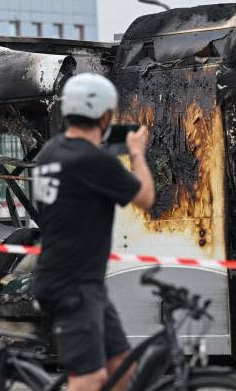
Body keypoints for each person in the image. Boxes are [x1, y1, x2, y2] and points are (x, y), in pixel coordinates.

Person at [32, 73, 155, 391]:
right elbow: (145, 197)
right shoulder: (94, 160)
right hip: (71, 285)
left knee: (122, 368)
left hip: (81, 281)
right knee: (90, 380)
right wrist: (137, 152)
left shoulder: (50, 152)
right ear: (105, 116)